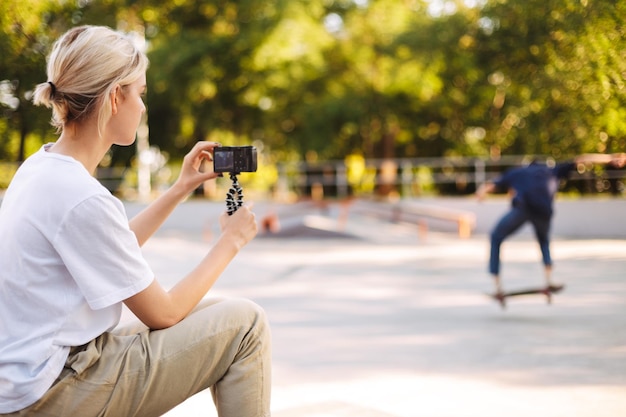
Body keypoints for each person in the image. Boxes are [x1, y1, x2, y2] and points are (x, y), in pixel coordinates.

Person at [0, 25, 271, 417]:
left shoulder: (40, 169)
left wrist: (180, 188)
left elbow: (109, 244)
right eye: (139, 94)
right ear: (114, 97)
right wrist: (231, 240)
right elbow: (163, 313)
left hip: (31, 375)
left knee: (215, 310)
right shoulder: (81, 196)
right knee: (245, 324)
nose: (143, 107)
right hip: (51, 392)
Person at [476, 153, 625, 296]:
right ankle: (548, 280)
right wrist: (610, 158)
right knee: (544, 242)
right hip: (544, 211)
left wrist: (481, 192)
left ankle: (497, 285)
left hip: (523, 208)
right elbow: (583, 159)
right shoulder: (553, 170)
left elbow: (491, 185)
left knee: (496, 237)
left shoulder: (518, 172)